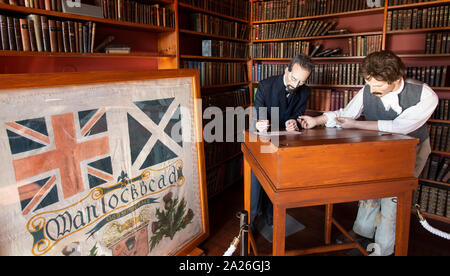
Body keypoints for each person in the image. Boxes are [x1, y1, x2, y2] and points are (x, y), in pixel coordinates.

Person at [298, 50, 438, 256]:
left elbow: (399, 127)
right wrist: (317, 120)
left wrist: (356, 125)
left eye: (378, 86)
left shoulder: (426, 95)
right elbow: (346, 115)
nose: (371, 91)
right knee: (370, 192)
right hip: (380, 149)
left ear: (397, 79)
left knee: (392, 200)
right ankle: (362, 234)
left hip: (411, 150)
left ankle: (382, 249)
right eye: (369, 84)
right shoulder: (369, 87)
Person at [251, 54, 314, 229]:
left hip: (284, 142)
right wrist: (260, 124)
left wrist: (292, 122)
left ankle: (271, 215)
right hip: (261, 138)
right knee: (256, 183)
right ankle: (251, 220)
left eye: (301, 82)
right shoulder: (265, 85)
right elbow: (258, 114)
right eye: (294, 78)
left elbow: (296, 115)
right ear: (287, 70)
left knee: (278, 180)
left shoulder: (305, 91)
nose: (296, 85)